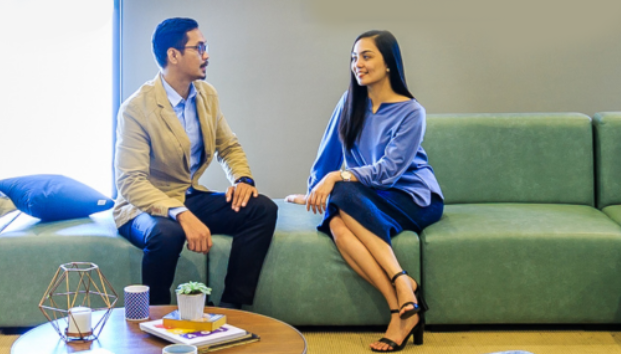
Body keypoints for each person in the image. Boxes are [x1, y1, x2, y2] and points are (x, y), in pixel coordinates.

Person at [286, 30, 444, 352]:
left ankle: (401, 280)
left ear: (389, 63)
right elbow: (328, 153)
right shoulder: (350, 102)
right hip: (369, 196)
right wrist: (316, 191)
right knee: (334, 220)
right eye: (354, 57)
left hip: (412, 197)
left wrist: (336, 180)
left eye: (367, 56)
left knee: (342, 191)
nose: (358, 64)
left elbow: (388, 173)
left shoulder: (411, 112)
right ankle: (401, 306)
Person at [114, 18, 277, 309]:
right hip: (142, 206)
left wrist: (242, 180)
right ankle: (153, 316)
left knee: (261, 208)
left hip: (188, 195)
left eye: (206, 46)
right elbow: (130, 181)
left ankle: (232, 307)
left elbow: (228, 145)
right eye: (199, 47)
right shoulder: (136, 108)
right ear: (173, 55)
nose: (207, 54)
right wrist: (180, 213)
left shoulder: (206, 95)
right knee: (168, 232)